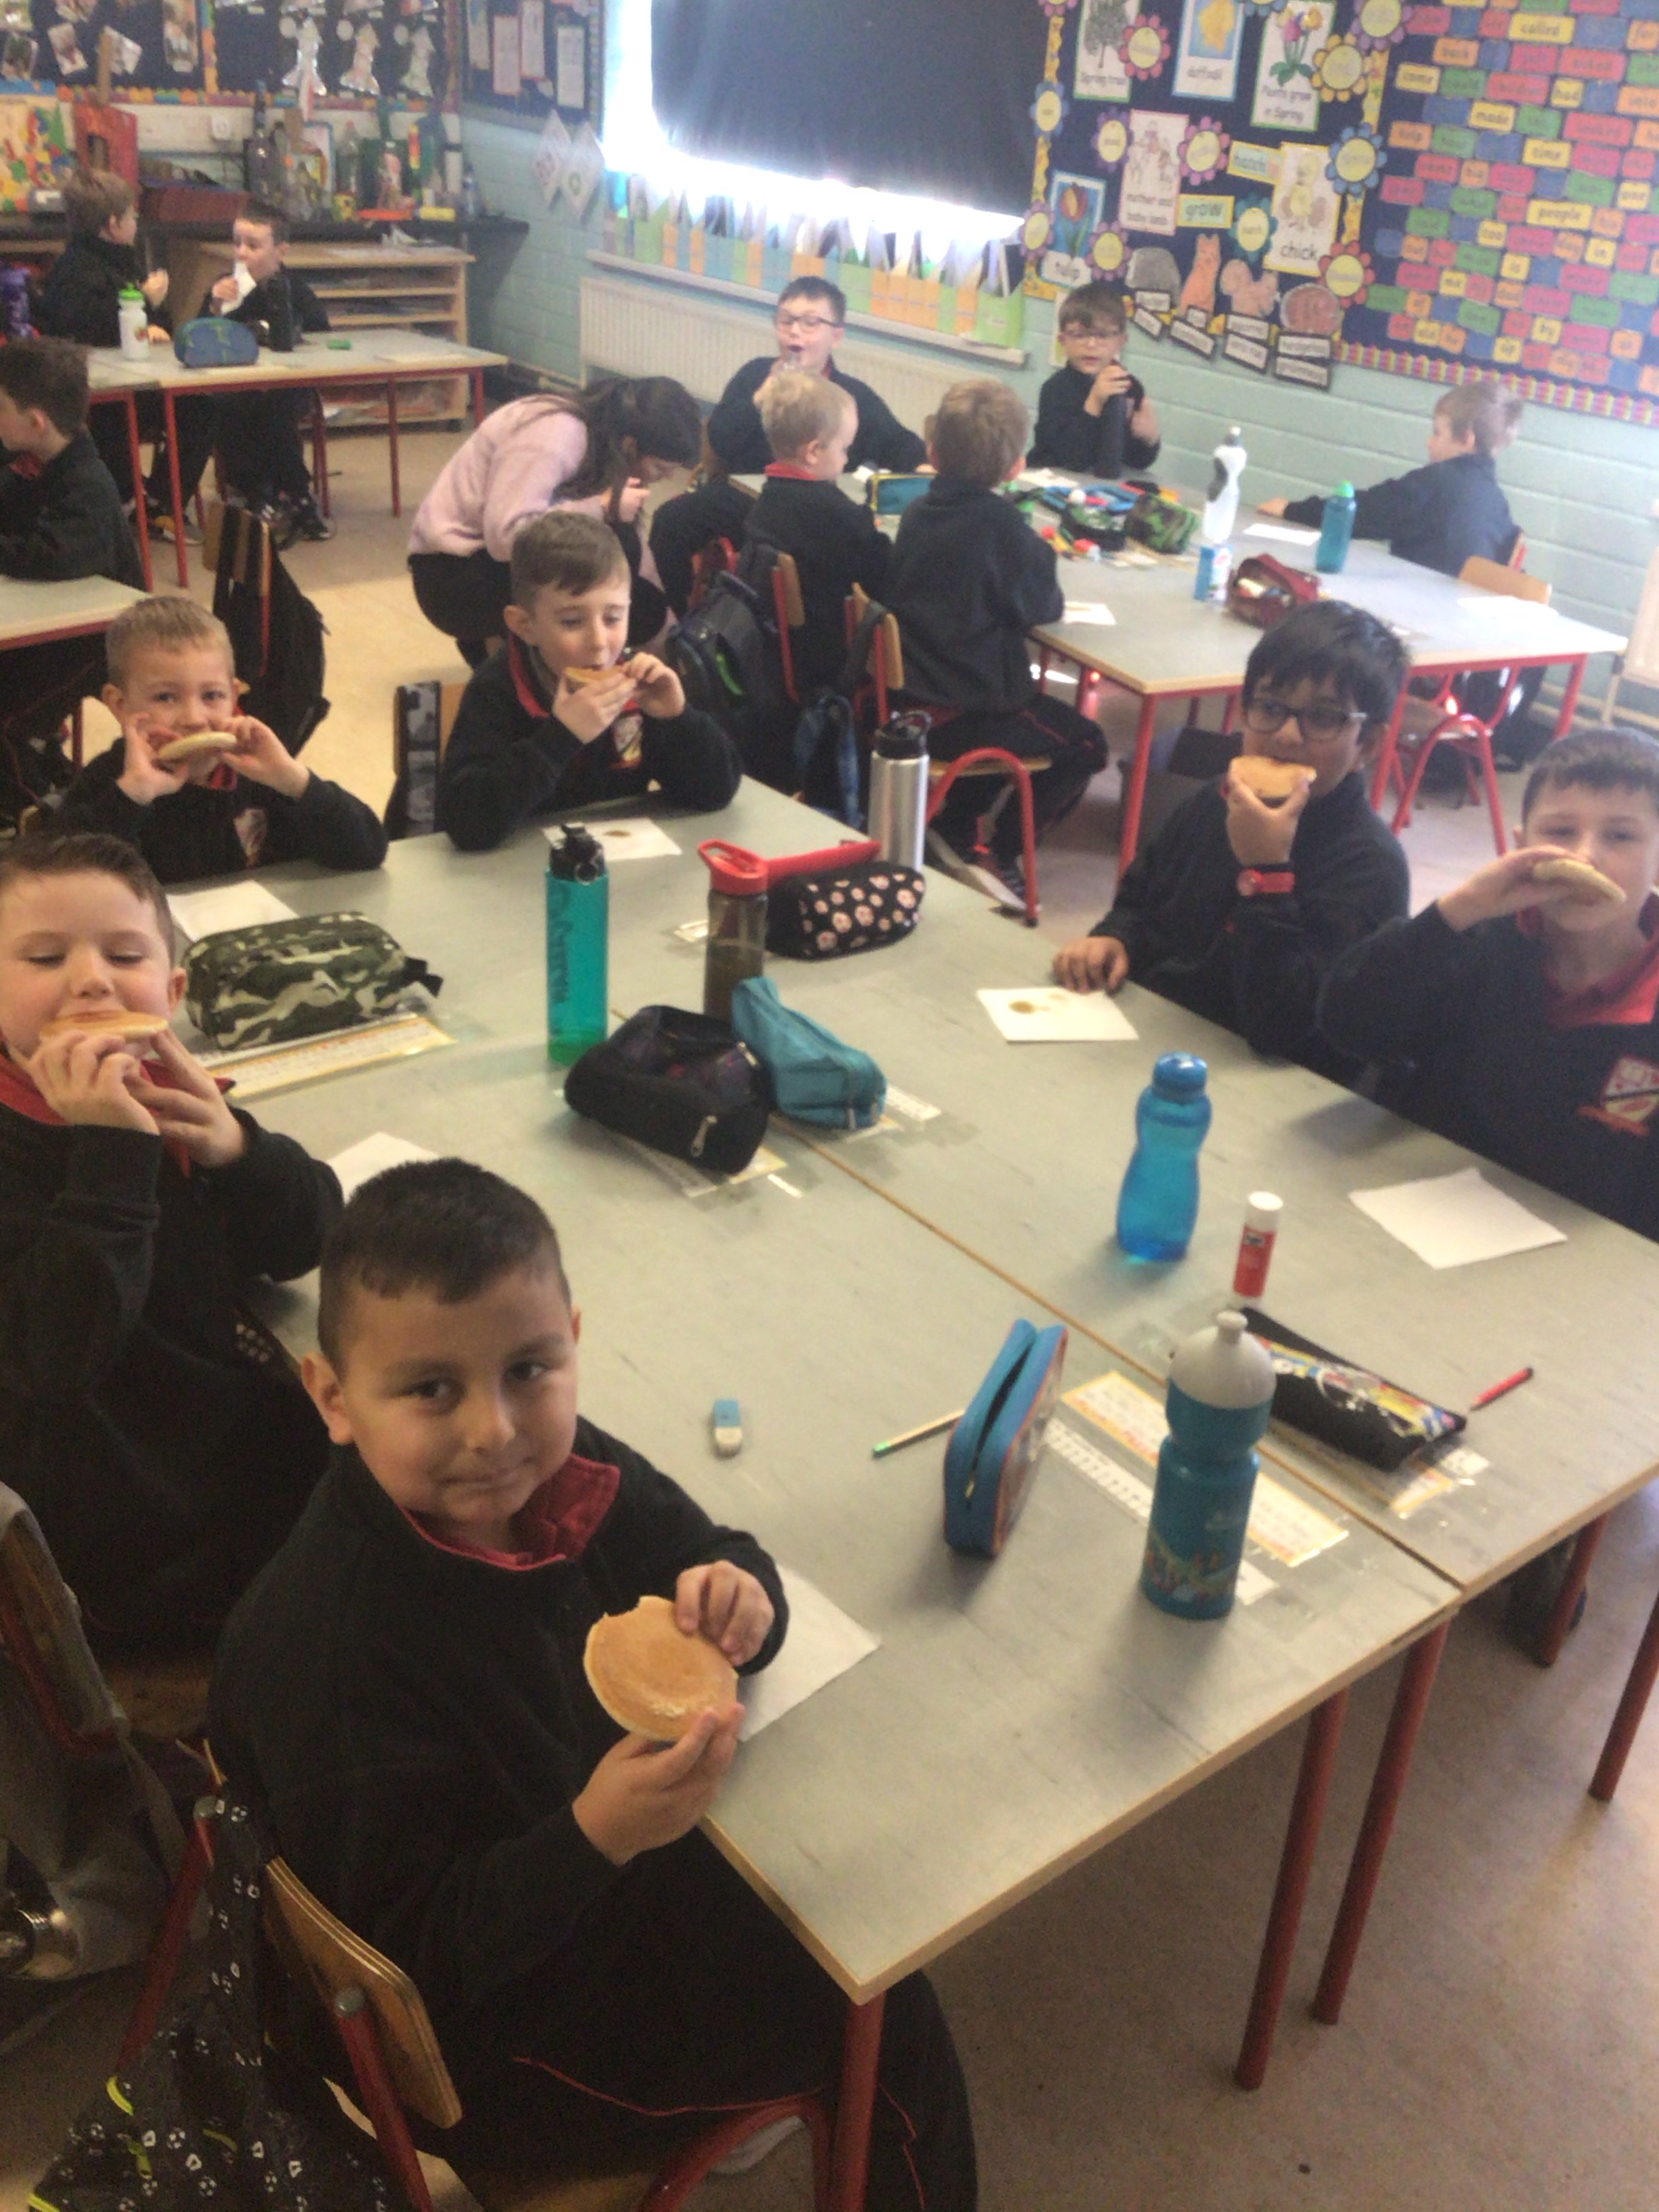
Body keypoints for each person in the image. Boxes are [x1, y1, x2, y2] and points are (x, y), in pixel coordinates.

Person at [207, 1157, 977, 2209]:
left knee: (839, 1891)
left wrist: (742, 1598)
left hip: (583, 1863)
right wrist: (595, 1837)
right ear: (333, 1399)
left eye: (530, 1370)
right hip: (501, 2041)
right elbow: (418, 1964)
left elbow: (714, 1552)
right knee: (882, 2012)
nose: (495, 1430)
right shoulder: (336, 1658)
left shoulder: (558, 1469)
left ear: (571, 1340)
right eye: (431, 1390)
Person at [0, 830, 340, 1652]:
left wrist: (238, 1150)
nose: (91, 979)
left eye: (124, 955)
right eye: (44, 958)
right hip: (131, 1546)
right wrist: (113, 1155)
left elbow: (314, 1238)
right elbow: (54, 1355)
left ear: (172, 989)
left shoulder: (166, 1095)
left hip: (232, 1450)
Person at [1319, 724, 1659, 1242]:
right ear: (1521, 846)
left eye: (1621, 837)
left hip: (1579, 1257)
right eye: (1560, 832)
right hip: (1417, 1215)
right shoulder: (1476, 939)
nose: (1585, 856)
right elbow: (1346, 1025)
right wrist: (1457, 911)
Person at [1053, 603, 1410, 1081]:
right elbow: (1140, 900)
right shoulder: (1213, 800)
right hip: (1152, 1042)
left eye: (1324, 717)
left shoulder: (1372, 866)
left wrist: (1268, 873)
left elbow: (1283, 1030)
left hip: (1260, 1082)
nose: (1287, 735)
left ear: (1368, 744)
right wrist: (1115, 937)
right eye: (1270, 708)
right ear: (1244, 711)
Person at [884, 377, 1107, 903]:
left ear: (933, 453)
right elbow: (1043, 607)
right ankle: (1004, 848)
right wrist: (1035, 549)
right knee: (1087, 744)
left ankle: (957, 820)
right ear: (1015, 467)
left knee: (1021, 715)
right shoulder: (1004, 530)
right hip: (964, 712)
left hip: (908, 702)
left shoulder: (916, 513)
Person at [438, 512, 741, 853]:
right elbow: (465, 824)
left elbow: (716, 793)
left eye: (613, 618)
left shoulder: (639, 686)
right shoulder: (496, 690)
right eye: (572, 622)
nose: (599, 643)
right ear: (525, 626)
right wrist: (561, 737)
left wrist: (677, 719)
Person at [58, 596, 387, 885]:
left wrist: (294, 780)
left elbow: (367, 852)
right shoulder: (110, 784)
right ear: (120, 705)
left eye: (212, 696)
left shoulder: (260, 778)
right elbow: (63, 886)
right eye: (166, 697)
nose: (194, 719)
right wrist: (132, 797)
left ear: (234, 695)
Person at [650, 276, 927, 613]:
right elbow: (720, 440)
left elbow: (899, 443)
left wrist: (924, 466)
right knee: (670, 522)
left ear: (836, 336)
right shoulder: (755, 374)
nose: (795, 332)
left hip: (820, 510)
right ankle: (686, 617)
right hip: (750, 501)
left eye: (810, 323)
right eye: (786, 321)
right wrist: (758, 399)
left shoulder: (849, 395)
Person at [408, 375, 700, 666]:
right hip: (451, 576)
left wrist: (673, 649)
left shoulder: (607, 442)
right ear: (630, 445)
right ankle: (506, 660)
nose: (667, 478)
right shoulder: (557, 431)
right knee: (628, 604)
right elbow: (506, 537)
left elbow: (635, 553)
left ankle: (508, 654)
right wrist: (600, 508)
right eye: (660, 468)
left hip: (491, 561)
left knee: (640, 594)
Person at [0, 335, 146, 808]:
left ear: (35, 423)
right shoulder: (33, 458)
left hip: (97, 642)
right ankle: (44, 760)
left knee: (4, 718)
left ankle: (35, 810)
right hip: (52, 631)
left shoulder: (86, 484)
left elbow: (54, 558)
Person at [35, 168, 216, 537]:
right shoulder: (77, 268)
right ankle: (138, 501)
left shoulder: (119, 259)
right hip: (97, 392)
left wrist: (154, 313)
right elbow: (86, 329)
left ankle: (160, 501)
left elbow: (153, 328)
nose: (136, 223)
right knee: (174, 409)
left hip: (133, 378)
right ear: (113, 224)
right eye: (132, 216)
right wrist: (145, 303)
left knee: (198, 401)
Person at [1260, 383, 1523, 579]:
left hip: (1420, 607)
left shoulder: (1436, 483)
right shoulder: (1498, 504)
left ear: (1466, 439)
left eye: (1437, 433)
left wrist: (1291, 510)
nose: (1429, 443)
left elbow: (1366, 511)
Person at [745, 369, 891, 695]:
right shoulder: (838, 515)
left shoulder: (767, 499)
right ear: (813, 451)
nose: (846, 460)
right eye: (844, 449)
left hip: (782, 653)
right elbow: (885, 574)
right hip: (830, 659)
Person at [209, 203, 333, 544]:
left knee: (275, 411)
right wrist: (215, 306)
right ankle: (263, 490)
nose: (242, 253)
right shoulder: (227, 287)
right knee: (229, 409)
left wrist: (288, 330)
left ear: (280, 251)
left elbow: (322, 334)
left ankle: (291, 491)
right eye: (237, 243)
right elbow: (202, 337)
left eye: (253, 245)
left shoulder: (294, 288)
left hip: (286, 387)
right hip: (236, 386)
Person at [1027, 281, 1161, 480]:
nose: (1091, 344)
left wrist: (1150, 439)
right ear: (1063, 341)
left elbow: (1136, 462)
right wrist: (1095, 402)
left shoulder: (1129, 387)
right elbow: (1071, 460)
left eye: (1103, 335)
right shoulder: (1055, 390)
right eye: (1079, 335)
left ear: (1120, 342)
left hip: (1101, 488)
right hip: (1052, 483)